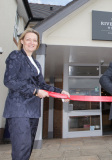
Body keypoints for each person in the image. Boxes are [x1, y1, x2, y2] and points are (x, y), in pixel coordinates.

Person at [3, 28, 70, 160]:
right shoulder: (15, 56)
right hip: (19, 110)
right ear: (22, 41)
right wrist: (35, 91)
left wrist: (61, 92)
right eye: (28, 39)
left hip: (33, 111)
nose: (31, 42)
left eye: (35, 40)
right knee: (21, 149)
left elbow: (42, 85)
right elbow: (9, 81)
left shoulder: (37, 64)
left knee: (27, 149)